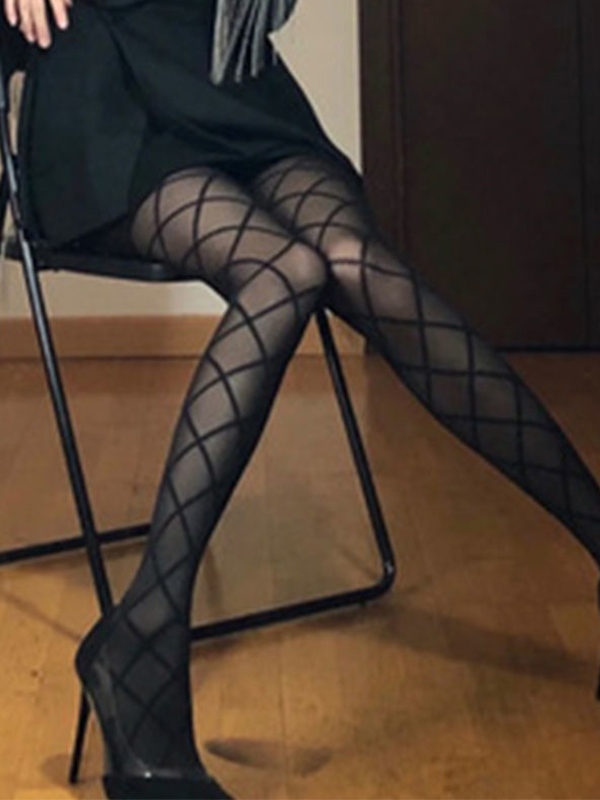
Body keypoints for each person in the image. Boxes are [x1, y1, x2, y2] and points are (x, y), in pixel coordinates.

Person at [4, 0, 600, 798]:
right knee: (285, 273)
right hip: (107, 105)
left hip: (230, 83)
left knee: (354, 261)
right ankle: (144, 637)